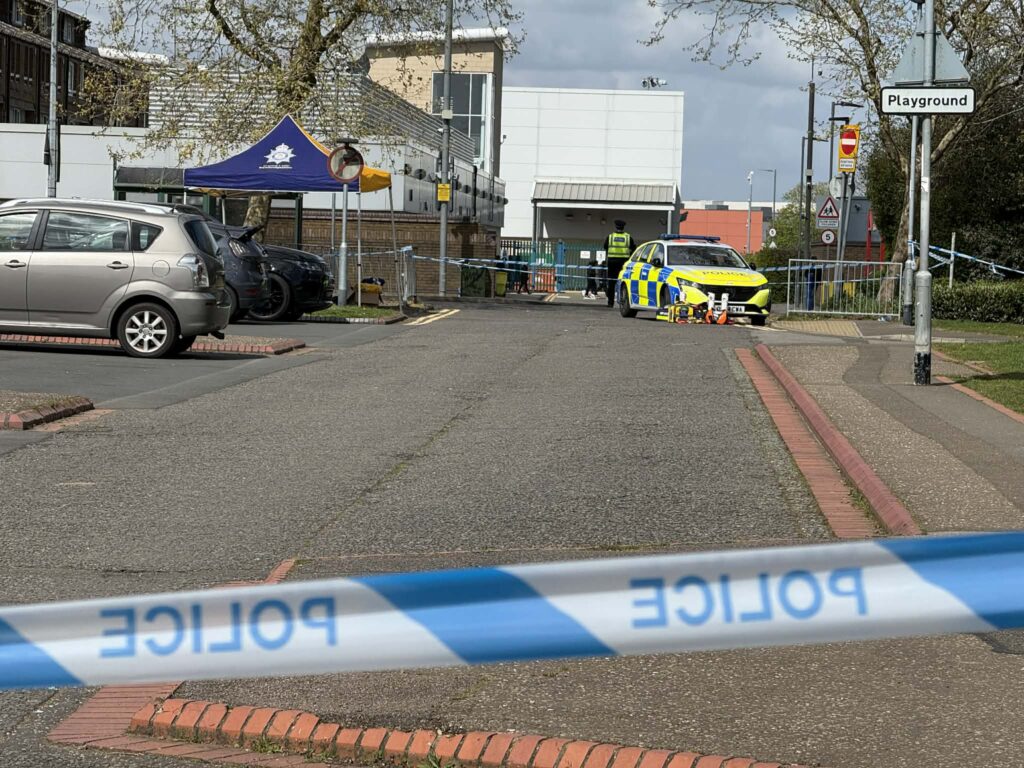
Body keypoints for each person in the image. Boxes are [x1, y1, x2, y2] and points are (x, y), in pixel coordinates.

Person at [603, 219, 636, 307]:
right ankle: (623, 303)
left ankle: (610, 303)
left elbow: (605, 247)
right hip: (623, 262)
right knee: (624, 282)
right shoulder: (628, 237)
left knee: (611, 282)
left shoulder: (610, 237)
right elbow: (633, 248)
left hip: (612, 262)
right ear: (623, 227)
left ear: (616, 227)